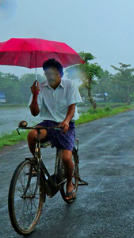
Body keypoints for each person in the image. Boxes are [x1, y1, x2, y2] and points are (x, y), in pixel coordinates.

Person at [27, 58, 82, 201]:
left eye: (52, 73)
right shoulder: (41, 87)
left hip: (66, 124)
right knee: (32, 135)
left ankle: (69, 183)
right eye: (46, 73)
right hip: (48, 123)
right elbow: (34, 112)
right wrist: (35, 95)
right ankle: (35, 163)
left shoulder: (70, 85)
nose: (49, 76)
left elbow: (72, 107)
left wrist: (66, 121)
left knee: (66, 157)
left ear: (60, 74)